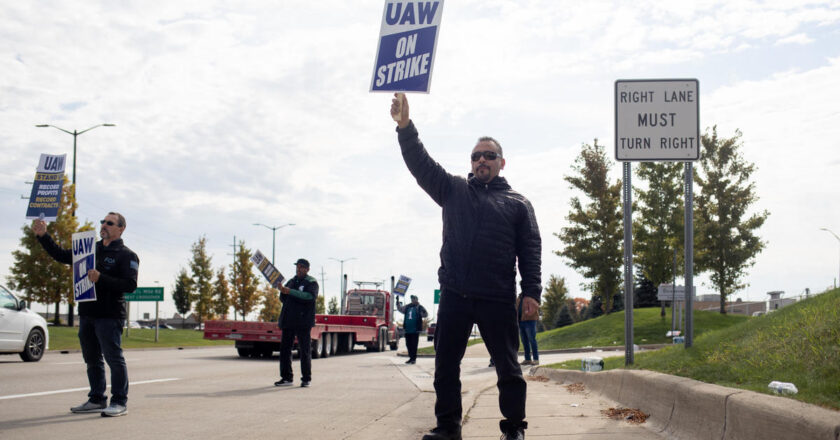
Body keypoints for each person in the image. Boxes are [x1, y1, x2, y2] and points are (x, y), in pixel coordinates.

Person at [390, 94, 542, 440]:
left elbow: (530, 248)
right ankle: (447, 428)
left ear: (502, 162)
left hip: (498, 298)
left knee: (508, 368)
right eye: (476, 156)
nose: (482, 160)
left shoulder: (518, 204)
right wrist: (404, 127)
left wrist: (531, 292)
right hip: (456, 295)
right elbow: (421, 164)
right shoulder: (454, 189)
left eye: (489, 155)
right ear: (471, 163)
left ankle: (514, 429)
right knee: (445, 366)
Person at [32, 212, 139, 417]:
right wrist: (43, 235)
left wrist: (101, 278)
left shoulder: (127, 255)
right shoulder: (90, 249)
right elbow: (62, 256)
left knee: (113, 358)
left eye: (110, 223)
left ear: (121, 228)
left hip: (109, 315)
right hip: (87, 313)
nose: (104, 225)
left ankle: (119, 401)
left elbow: (130, 285)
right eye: (103, 222)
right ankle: (97, 399)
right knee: (92, 359)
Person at [275, 258, 319, 388]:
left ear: (307, 269)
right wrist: (282, 291)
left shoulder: (311, 282)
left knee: (304, 350)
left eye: (301, 267)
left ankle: (306, 378)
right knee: (285, 349)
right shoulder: (291, 281)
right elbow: (283, 298)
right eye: (297, 267)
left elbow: (310, 297)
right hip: (289, 320)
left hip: (303, 321)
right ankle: (286, 377)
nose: (299, 269)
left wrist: (291, 292)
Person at [397, 294, 428, 364]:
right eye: (412, 299)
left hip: (415, 330)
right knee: (408, 344)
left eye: (414, 299)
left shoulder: (419, 307)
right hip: (407, 330)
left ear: (417, 300)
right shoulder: (408, 307)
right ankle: (411, 358)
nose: (413, 300)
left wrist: (422, 311)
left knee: (414, 345)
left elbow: (425, 315)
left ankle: (413, 359)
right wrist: (397, 303)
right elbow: (400, 309)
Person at [517, 294, 539, 366]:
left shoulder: (531, 296)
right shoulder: (519, 297)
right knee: (524, 341)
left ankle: (536, 359)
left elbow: (536, 305)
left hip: (530, 321)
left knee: (532, 340)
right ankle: (527, 359)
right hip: (521, 321)